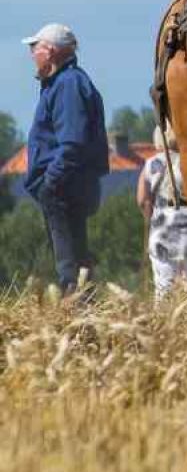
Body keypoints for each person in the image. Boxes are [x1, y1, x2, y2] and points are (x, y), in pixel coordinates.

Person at [22, 23, 108, 292]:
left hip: (64, 188)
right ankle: (83, 317)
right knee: (74, 261)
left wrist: (50, 182)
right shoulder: (65, 82)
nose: (31, 55)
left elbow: (73, 143)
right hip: (67, 186)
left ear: (50, 51)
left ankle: (79, 319)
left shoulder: (68, 84)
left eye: (34, 48)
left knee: (70, 267)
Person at [139, 123, 187, 298]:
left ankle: (164, 324)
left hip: (162, 235)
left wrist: (152, 219)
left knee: (164, 291)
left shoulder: (151, 164)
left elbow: (142, 200)